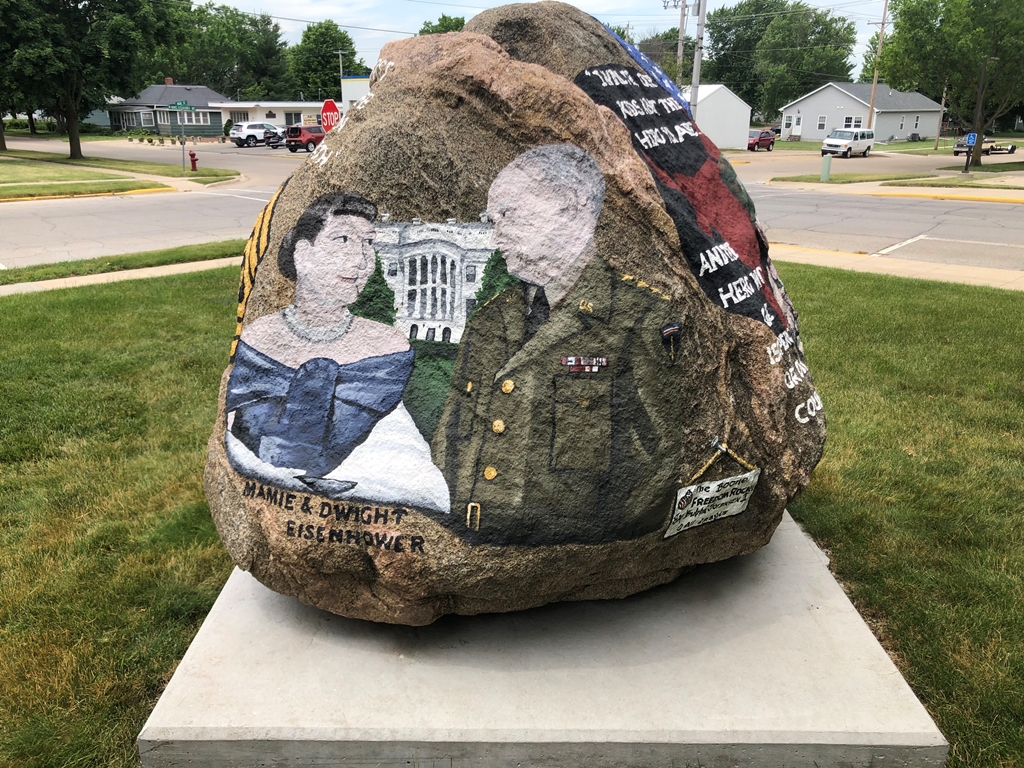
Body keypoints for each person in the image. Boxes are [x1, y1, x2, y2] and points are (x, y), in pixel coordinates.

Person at [431, 145, 688, 546]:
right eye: (492, 220)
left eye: (508, 214)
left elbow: (658, 467)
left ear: (572, 206)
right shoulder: (489, 319)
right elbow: (448, 443)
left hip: (567, 549)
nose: (495, 235)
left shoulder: (640, 318)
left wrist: (580, 559)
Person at [225, 191, 450, 513]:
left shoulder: (387, 348)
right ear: (303, 255)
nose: (361, 260)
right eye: (342, 239)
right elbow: (247, 439)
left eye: (368, 243)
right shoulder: (259, 340)